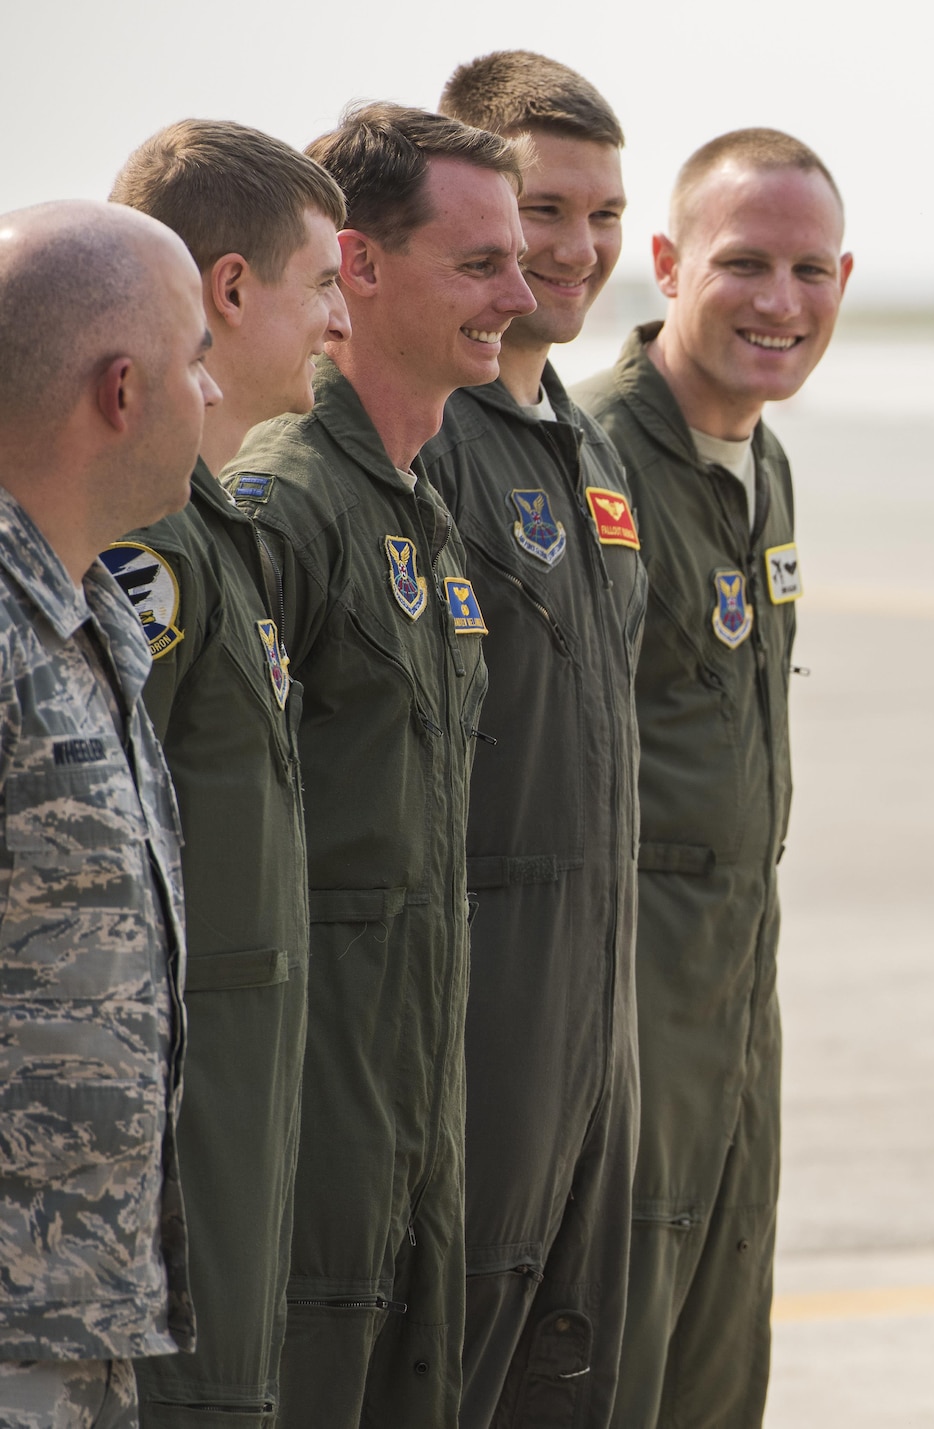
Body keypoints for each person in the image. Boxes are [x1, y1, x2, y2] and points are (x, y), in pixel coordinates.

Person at [220, 103, 531, 1429]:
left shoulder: (418, 505)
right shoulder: (283, 501)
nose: (522, 295)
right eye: (478, 265)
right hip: (306, 1140)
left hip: (413, 1120)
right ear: (355, 266)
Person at [576, 125, 851, 1429]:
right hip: (620, 1012)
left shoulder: (763, 465)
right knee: (611, 1364)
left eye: (810, 270)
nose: (780, 303)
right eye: (745, 263)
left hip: (739, 997)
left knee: (720, 1364)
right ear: (669, 263)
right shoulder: (583, 465)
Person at [107, 120, 349, 1428]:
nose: (337, 318)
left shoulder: (220, 532)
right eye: (322, 284)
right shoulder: (148, 543)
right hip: (171, 1155)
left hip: (238, 1137)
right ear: (233, 291)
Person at [430, 52, 646, 1429]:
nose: (576, 251)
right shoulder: (422, 437)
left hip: (593, 1016)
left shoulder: (583, 443)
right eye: (546, 212)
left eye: (603, 215)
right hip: (467, 1013)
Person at [0, 200, 219, 1426]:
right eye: (197, 358)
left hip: (75, 1320)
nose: (216, 391)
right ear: (122, 391)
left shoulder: (87, 616)